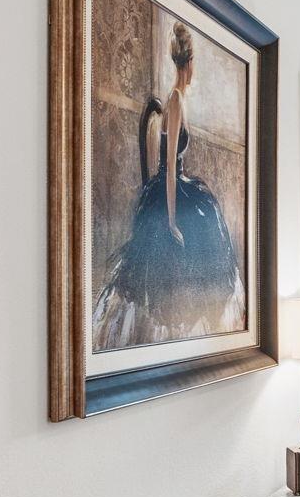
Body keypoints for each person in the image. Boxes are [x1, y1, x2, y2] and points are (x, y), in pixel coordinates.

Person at [91, 21, 245, 348]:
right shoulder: (175, 99)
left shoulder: (179, 99)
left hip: (173, 185)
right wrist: (173, 218)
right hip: (168, 189)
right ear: (188, 64)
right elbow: (171, 164)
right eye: (193, 63)